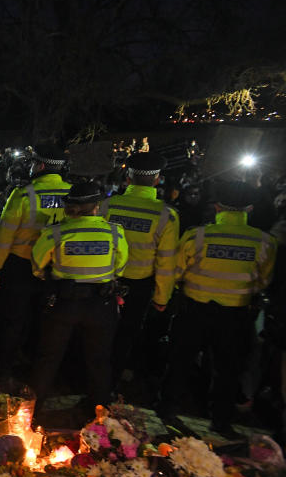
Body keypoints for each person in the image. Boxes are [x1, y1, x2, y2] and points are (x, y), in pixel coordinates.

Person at [162, 179, 277, 435]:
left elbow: (177, 271)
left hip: (194, 309)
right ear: (249, 209)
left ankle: (168, 411)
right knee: (227, 369)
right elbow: (263, 281)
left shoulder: (197, 235)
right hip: (236, 315)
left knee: (180, 362)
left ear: (217, 207)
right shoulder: (265, 242)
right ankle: (221, 421)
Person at [28, 182, 128, 423]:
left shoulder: (55, 232)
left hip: (64, 304)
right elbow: (121, 266)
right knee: (99, 360)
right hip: (101, 305)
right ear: (96, 207)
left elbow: (37, 266)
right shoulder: (114, 232)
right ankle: (100, 418)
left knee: (48, 358)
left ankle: (32, 410)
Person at [0, 145, 71, 384]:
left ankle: (4, 368)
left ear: (41, 166)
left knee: (14, 320)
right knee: (44, 319)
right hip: (55, 268)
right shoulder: (74, 194)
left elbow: (5, 236)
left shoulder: (24, 194)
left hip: (21, 265)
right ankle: (37, 368)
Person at [101, 152, 179, 396]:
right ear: (157, 180)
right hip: (139, 285)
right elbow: (166, 262)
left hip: (104, 280)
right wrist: (162, 298)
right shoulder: (166, 215)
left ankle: (88, 377)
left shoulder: (107, 205)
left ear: (128, 177)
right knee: (126, 334)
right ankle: (109, 385)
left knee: (98, 330)